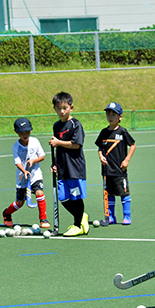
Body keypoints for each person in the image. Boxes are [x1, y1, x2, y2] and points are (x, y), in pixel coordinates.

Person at [48, 91, 89, 237]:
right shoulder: (56, 126)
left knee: (76, 197)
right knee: (63, 198)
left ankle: (77, 225)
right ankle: (82, 216)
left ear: (71, 107)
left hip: (75, 168)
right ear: (54, 109)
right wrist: (56, 165)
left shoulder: (75, 124)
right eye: (58, 108)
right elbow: (58, 148)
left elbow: (76, 144)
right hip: (63, 168)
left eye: (64, 108)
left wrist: (58, 142)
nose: (62, 111)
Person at [2, 118, 50, 229]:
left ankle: (43, 219)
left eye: (27, 132)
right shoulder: (16, 147)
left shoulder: (35, 141)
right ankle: (7, 213)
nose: (25, 135)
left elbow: (42, 156)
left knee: (39, 193)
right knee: (20, 203)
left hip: (35, 174)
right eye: (22, 133)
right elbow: (17, 162)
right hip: (22, 177)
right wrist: (24, 171)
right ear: (16, 133)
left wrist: (33, 161)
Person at [94, 102, 136, 225]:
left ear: (120, 117)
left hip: (120, 170)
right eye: (108, 114)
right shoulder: (103, 133)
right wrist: (101, 156)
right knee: (110, 194)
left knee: (124, 193)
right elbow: (100, 148)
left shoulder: (122, 132)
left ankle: (127, 216)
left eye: (113, 114)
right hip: (107, 170)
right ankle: (111, 216)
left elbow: (132, 145)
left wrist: (127, 160)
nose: (110, 117)